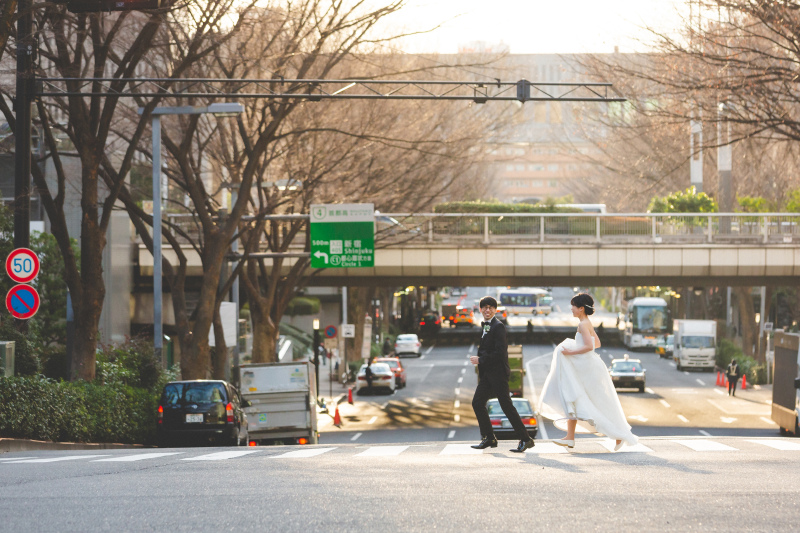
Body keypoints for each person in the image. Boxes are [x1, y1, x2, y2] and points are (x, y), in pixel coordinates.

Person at [538, 293, 638, 451]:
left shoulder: (583, 325)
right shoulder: (587, 323)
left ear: (581, 308)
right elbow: (597, 342)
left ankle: (619, 434)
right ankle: (570, 438)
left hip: (586, 369)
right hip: (589, 367)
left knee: (582, 399)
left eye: (573, 306)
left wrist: (570, 352)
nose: (571, 309)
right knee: (574, 398)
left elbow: (590, 347)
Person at [470, 296, 535, 453]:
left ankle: (526, 439)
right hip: (488, 374)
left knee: (506, 406)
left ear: (495, 310)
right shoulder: (487, 326)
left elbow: (500, 353)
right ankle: (489, 437)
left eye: (490, 307)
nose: (487, 310)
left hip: (497, 373)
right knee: (477, 403)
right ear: (480, 309)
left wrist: (481, 359)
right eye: (484, 307)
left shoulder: (498, 326)